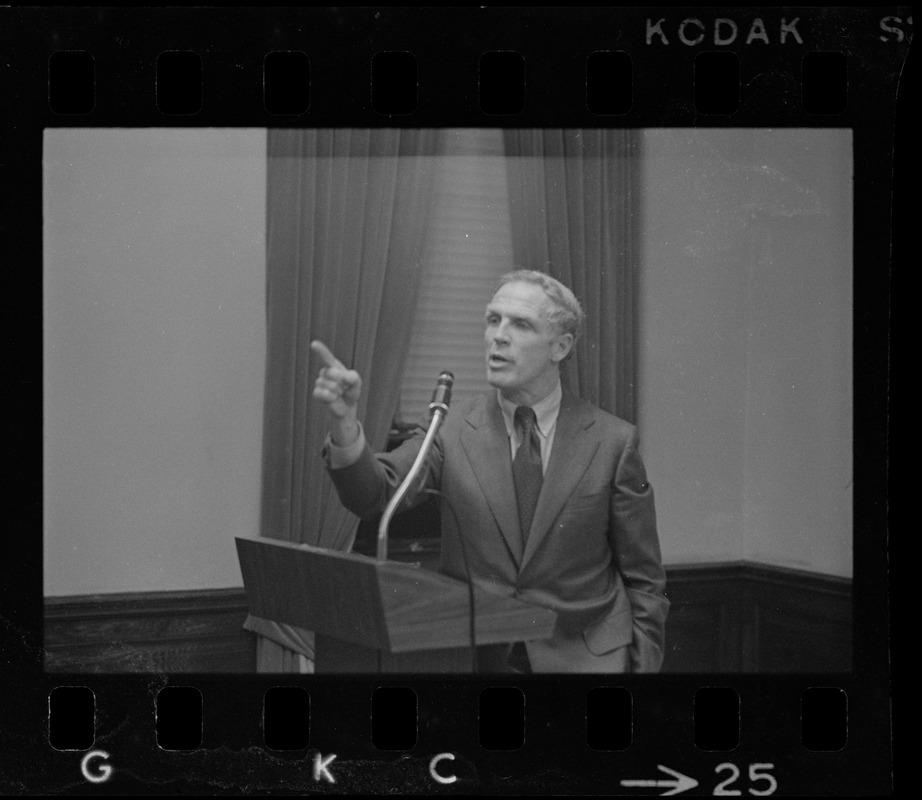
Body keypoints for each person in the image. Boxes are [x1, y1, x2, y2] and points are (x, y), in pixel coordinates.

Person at [312, 269, 668, 673]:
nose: (498, 335)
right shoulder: (450, 427)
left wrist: (642, 667)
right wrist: (343, 423)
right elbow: (375, 494)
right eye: (493, 319)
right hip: (475, 659)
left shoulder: (613, 442)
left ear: (560, 346)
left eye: (520, 324)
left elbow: (645, 579)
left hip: (586, 660)